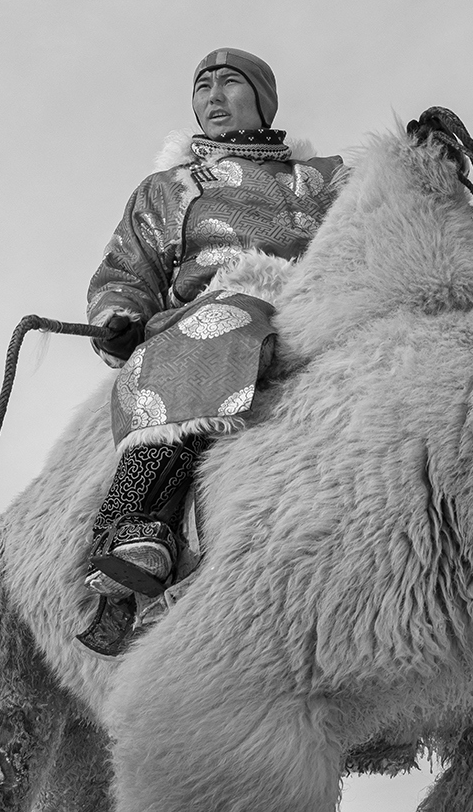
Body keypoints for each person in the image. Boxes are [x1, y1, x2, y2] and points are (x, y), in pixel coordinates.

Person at [77, 48, 347, 655]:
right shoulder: (170, 189)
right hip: (219, 305)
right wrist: (118, 316)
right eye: (203, 87)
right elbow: (128, 268)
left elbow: (382, 203)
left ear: (262, 99)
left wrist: (421, 158)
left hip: (324, 299)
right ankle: (137, 524)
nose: (214, 97)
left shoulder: (323, 178)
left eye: (231, 83)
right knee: (219, 326)